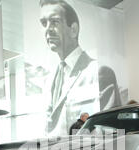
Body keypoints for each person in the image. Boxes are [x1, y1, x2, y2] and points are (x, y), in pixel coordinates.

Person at [39, 0, 119, 136]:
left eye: (55, 22)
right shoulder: (48, 81)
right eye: (44, 23)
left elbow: (111, 130)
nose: (48, 28)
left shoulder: (99, 72)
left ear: (73, 29)